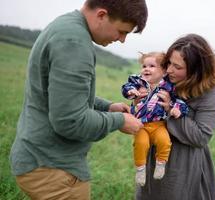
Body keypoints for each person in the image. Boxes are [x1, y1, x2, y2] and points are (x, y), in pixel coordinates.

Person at [9, 0, 148, 199]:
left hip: (41, 157)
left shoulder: (66, 27)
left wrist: (107, 107)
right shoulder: (74, 43)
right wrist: (119, 121)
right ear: (101, 15)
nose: (122, 40)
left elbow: (64, 96)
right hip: (53, 168)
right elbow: (70, 121)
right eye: (121, 31)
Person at [135, 34, 215, 200]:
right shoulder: (164, 80)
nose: (169, 70)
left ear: (197, 71)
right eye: (168, 63)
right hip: (155, 157)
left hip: (184, 165)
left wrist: (169, 109)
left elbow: (201, 137)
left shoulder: (210, 92)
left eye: (177, 67)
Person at [121, 52, 188, 187]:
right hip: (140, 123)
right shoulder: (138, 81)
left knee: (164, 141)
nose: (146, 69)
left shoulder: (168, 87)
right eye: (144, 66)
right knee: (141, 143)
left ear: (163, 71)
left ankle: (161, 163)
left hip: (159, 124)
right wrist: (131, 92)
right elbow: (126, 87)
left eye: (152, 66)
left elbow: (179, 100)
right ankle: (140, 169)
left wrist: (176, 109)